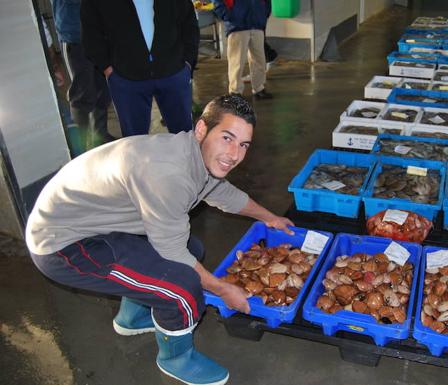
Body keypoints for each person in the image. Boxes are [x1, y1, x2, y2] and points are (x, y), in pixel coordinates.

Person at [25, 95, 294, 385]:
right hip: (63, 245)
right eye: (227, 137)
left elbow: (224, 194)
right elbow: (173, 252)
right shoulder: (168, 173)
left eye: (243, 144)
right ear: (202, 129)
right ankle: (175, 358)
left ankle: (130, 319)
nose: (234, 154)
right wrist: (222, 288)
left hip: (96, 225)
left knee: (193, 249)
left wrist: (269, 218)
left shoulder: (194, 152)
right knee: (182, 288)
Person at [81, 0, 200, 137]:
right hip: (126, 79)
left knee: (184, 136)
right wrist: (107, 68)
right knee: (134, 142)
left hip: (174, 73)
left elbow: (189, 24)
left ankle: (184, 159)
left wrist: (188, 63)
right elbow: (90, 35)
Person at [51, 0, 114, 150]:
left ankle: (100, 136)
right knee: (82, 94)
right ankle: (82, 147)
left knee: (103, 90)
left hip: (99, 35)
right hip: (75, 37)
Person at [213, 0, 273, 99]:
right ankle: (235, 91)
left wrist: (264, 13)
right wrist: (227, 15)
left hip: (256, 23)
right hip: (237, 25)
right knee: (236, 61)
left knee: (259, 60)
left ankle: (259, 88)